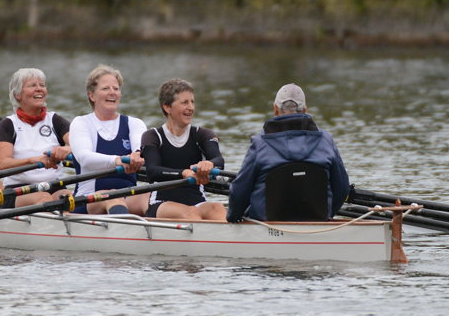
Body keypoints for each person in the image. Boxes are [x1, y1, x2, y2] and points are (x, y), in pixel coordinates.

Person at [226, 83, 349, 223]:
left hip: (267, 225)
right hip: (317, 221)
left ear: (275, 109)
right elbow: (342, 188)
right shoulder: (326, 140)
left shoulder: (260, 143)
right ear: (305, 110)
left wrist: (233, 217)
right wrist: (328, 215)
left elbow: (240, 191)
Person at [140, 78, 227, 221]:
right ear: (167, 107)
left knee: (218, 208)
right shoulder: (152, 136)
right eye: (184, 102)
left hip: (197, 201)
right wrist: (184, 173)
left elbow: (219, 161)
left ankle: (228, 241)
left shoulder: (203, 134)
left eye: (192, 102)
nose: (191, 107)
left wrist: (210, 164)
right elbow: (152, 171)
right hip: (161, 203)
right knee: (190, 213)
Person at [68, 64, 147, 215]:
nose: (112, 93)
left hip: (128, 196)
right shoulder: (81, 123)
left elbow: (141, 149)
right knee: (113, 197)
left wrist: (137, 155)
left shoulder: (134, 124)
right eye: (105, 88)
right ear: (92, 95)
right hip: (88, 199)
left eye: (116, 89)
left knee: (151, 198)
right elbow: (84, 158)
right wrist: (118, 160)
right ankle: (126, 233)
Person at [0, 67, 72, 207]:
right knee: (43, 198)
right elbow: (2, 164)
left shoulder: (55, 121)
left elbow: (79, 145)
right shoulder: (8, 124)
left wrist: (69, 149)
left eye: (42, 85)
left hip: (54, 186)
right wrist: (32, 160)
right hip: (18, 191)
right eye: (32, 85)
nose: (39, 89)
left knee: (68, 197)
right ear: (18, 94)